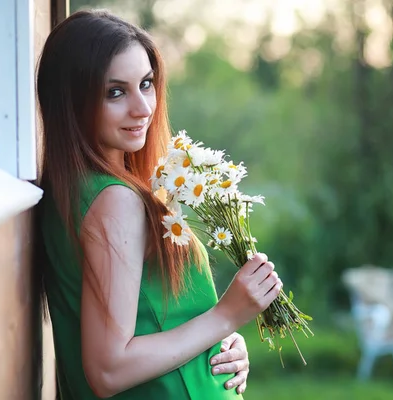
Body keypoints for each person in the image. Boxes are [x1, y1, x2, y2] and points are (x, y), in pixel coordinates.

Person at [35, 9, 282, 399]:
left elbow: (152, 322)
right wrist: (226, 315)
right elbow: (108, 370)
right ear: (72, 101)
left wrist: (218, 342)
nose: (143, 108)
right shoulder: (113, 201)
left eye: (146, 84)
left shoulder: (82, 191)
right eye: (115, 92)